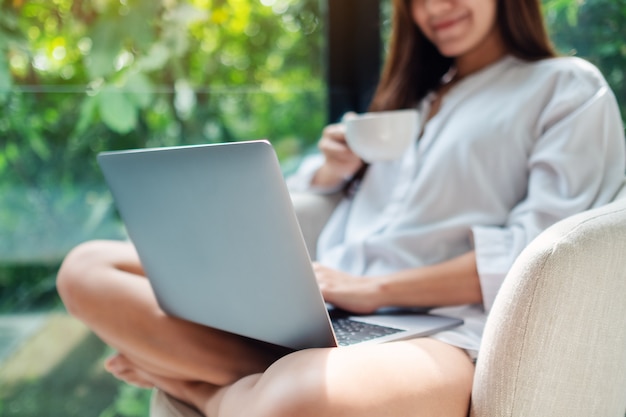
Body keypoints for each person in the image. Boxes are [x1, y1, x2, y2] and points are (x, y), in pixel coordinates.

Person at [57, 0, 626, 415]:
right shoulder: (411, 100)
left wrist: (373, 290)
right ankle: (247, 382)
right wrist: (329, 174)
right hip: (324, 312)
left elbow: (536, 254)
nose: (437, 8)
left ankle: (204, 389)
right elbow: (316, 209)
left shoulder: (566, 87)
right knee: (85, 269)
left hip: (442, 334)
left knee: (296, 400)